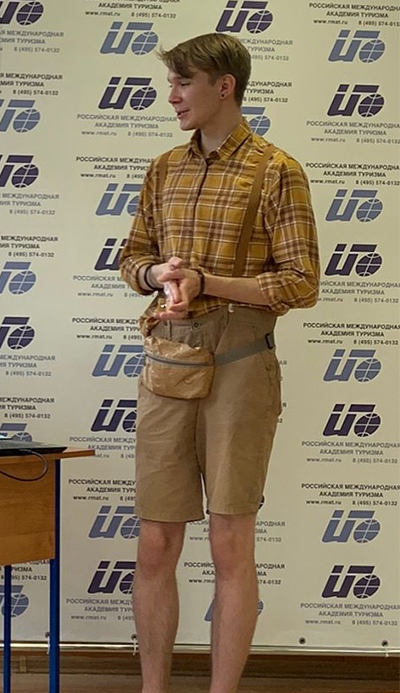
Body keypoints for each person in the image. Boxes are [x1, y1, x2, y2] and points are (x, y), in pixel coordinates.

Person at [118, 33, 319, 693]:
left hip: (241, 363)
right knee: (155, 542)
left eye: (184, 83)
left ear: (224, 86)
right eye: (170, 84)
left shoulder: (276, 170)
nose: (172, 97)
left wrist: (208, 283)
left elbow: (301, 283)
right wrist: (159, 275)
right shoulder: (163, 169)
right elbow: (132, 258)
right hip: (167, 362)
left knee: (231, 542)